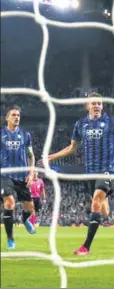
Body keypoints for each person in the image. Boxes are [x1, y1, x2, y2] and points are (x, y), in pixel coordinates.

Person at [42, 93, 114, 255]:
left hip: (106, 169)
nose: (97, 106)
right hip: (88, 172)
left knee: (96, 203)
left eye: (99, 103)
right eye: (94, 103)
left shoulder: (111, 123)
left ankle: (86, 246)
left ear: (102, 106)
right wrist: (51, 157)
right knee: (104, 211)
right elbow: (72, 147)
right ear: (88, 105)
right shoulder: (80, 124)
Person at [1, 106, 37, 249]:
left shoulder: (25, 135)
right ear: (7, 118)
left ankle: (24, 219)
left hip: (22, 176)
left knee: (29, 208)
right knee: (9, 203)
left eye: (18, 115)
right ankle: (10, 239)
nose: (16, 117)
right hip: (5, 175)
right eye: (13, 115)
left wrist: (31, 172)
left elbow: (31, 155)